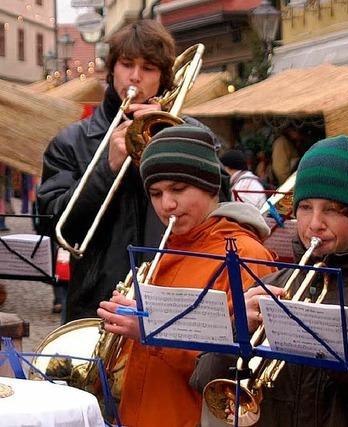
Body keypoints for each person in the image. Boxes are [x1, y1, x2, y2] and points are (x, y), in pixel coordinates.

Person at [191, 135, 348, 426]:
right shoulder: (272, 282)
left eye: (330, 209)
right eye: (305, 208)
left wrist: (337, 342)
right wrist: (236, 329)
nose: (314, 223)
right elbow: (204, 380)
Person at [37, 20, 219, 321]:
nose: (135, 76)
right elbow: (54, 226)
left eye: (148, 68)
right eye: (126, 64)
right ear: (112, 70)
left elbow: (219, 208)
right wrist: (106, 168)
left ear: (163, 78)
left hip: (175, 298)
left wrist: (177, 143)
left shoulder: (193, 135)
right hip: (96, 303)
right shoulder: (71, 142)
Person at [96, 125, 277, 427]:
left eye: (178, 190)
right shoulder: (168, 248)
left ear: (209, 187)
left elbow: (242, 371)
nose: (166, 205)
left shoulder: (246, 254)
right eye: (156, 193)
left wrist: (151, 331)